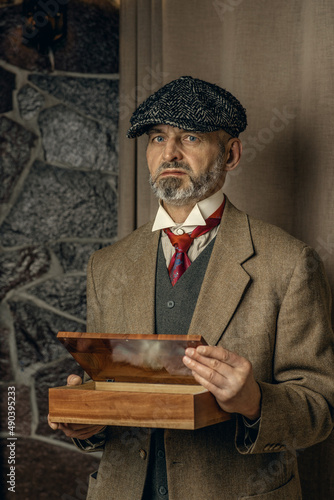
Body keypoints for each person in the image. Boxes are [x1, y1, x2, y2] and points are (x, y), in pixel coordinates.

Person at [49, 76, 334, 499]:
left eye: (192, 137)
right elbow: (113, 397)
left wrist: (255, 401)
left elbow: (320, 408)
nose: (170, 153)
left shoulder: (289, 263)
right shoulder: (105, 266)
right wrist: (88, 424)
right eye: (158, 137)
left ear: (231, 153)